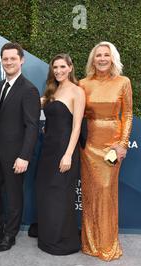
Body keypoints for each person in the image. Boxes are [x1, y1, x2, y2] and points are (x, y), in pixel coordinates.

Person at [79, 41, 133, 261]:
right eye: (98, 55)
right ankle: (90, 243)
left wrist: (122, 144)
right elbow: (76, 114)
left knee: (106, 192)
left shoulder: (123, 82)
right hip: (88, 145)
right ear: (93, 59)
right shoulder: (83, 83)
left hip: (111, 147)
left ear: (112, 59)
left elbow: (128, 114)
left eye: (106, 55)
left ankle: (107, 244)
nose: (102, 59)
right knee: (90, 193)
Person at [0, 42, 40, 252]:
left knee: (14, 196)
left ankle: (10, 235)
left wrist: (24, 156)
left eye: (13, 59)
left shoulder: (29, 90)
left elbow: (32, 126)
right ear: (1, 60)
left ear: (21, 60)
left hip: (15, 155)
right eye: (5, 59)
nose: (8, 62)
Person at [35, 53, 85, 255]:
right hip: (48, 149)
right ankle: (48, 236)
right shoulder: (52, 90)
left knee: (60, 194)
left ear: (70, 67)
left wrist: (68, 154)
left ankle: (62, 240)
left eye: (62, 67)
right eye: (55, 67)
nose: (58, 71)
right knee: (45, 191)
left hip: (65, 149)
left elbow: (77, 126)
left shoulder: (77, 91)